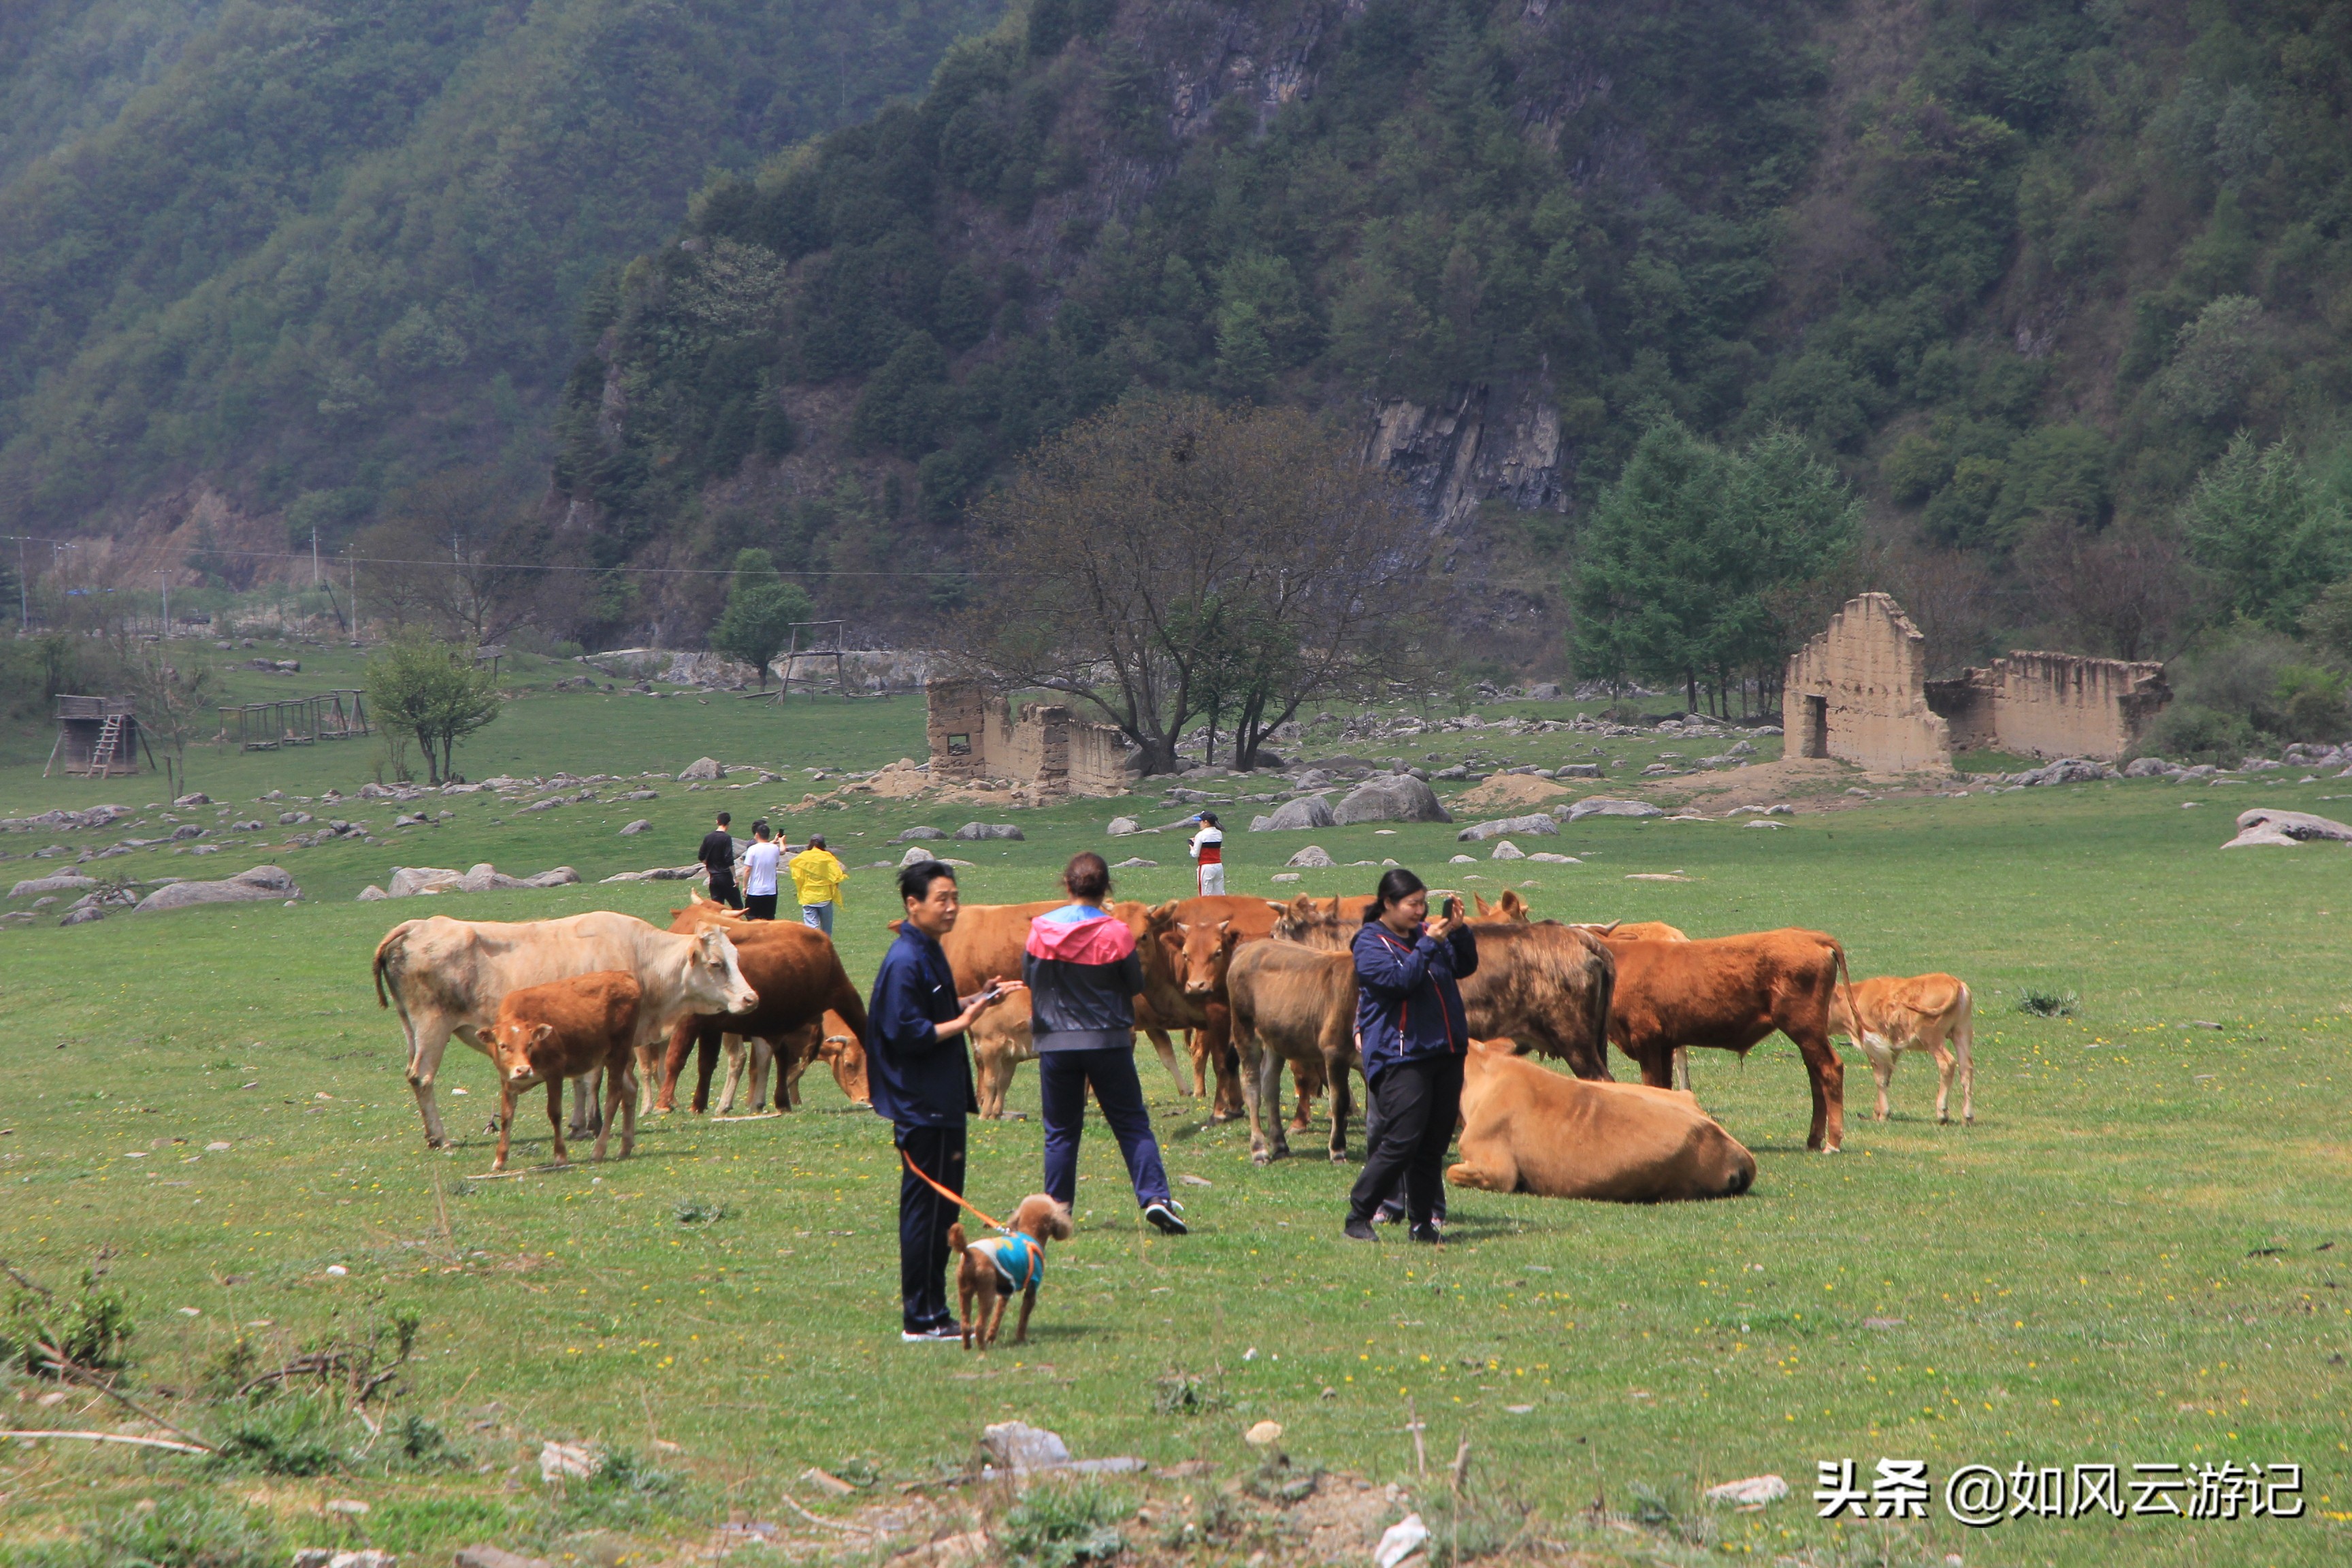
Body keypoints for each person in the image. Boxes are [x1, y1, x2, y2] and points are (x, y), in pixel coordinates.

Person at [867, 860, 1020, 1342]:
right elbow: (907, 1033)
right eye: (942, 899)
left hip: (944, 1101)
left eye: (955, 897)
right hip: (920, 1104)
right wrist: (967, 1018)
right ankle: (920, 1319)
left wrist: (982, 997)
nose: (952, 908)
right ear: (913, 905)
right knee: (924, 1214)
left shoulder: (930, 950)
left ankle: (936, 1313)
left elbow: (936, 1010)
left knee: (944, 1215)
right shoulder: (904, 961)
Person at [1025, 852, 1188, 1236]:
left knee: (1062, 1131)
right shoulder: (1117, 933)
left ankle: (1057, 1210)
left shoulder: (1041, 929)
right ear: (1107, 889)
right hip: (1108, 1042)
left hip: (1056, 1043)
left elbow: (1030, 977)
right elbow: (1135, 985)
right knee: (1132, 1124)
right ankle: (1155, 1199)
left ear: (1066, 885)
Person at [1344, 868, 1477, 1245]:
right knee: (1402, 1139)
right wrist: (1428, 944)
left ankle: (1423, 1223)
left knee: (1433, 1144)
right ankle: (1359, 1214)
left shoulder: (1427, 935)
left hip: (1445, 1050)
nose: (1421, 912)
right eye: (1412, 904)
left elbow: (1464, 966)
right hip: (1400, 1054)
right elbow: (1398, 983)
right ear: (1388, 904)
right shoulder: (1369, 943)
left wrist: (1458, 930)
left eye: (1424, 903)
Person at [790, 833, 849, 936]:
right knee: (826, 930)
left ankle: (811, 948)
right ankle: (825, 949)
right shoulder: (827, 857)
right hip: (824, 897)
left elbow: (798, 876)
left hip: (808, 897)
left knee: (811, 929)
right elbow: (836, 876)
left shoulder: (803, 857)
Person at [740, 821, 782, 921]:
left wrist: (745, 886)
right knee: (769, 919)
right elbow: (776, 864)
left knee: (752, 918)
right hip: (771, 891)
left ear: (757, 834)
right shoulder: (775, 848)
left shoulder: (752, 849)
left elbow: (747, 869)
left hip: (756, 890)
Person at [698, 811, 741, 910]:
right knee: (737, 906)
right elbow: (729, 859)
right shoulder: (726, 838)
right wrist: (735, 877)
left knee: (717, 908)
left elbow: (701, 856)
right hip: (725, 877)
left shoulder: (708, 837)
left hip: (713, 878)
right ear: (728, 824)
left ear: (717, 822)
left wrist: (709, 864)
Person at [1188, 811, 1224, 897]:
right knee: (1219, 894)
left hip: (1206, 866)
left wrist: (1191, 847)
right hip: (1218, 866)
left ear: (1206, 822)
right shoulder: (1219, 833)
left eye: (1201, 821)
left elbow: (1195, 854)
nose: (1200, 823)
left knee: (1205, 895)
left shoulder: (1201, 835)